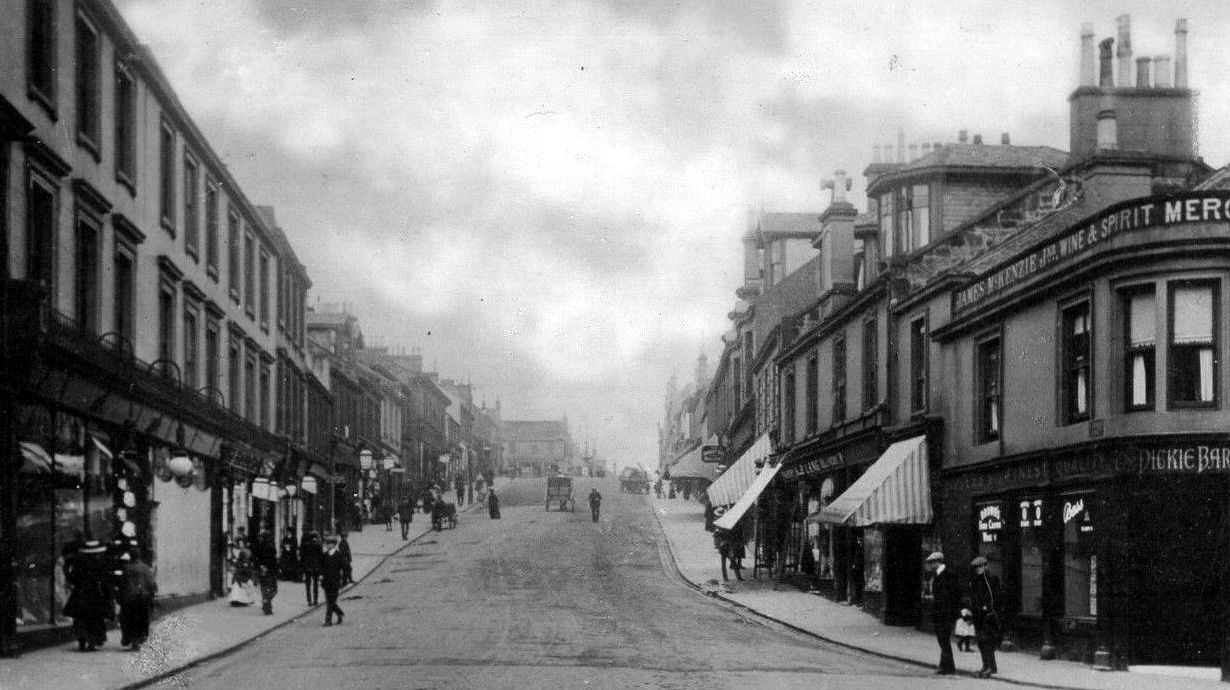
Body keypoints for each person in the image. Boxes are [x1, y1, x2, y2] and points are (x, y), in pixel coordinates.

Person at [63, 540, 113, 651]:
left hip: (81, 595)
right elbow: (105, 580)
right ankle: (92, 642)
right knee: (95, 619)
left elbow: (73, 578)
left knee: (81, 619)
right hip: (96, 595)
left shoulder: (79, 562)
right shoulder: (100, 563)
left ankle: (82, 641)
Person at [926, 551, 961, 675]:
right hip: (939, 613)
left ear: (938, 562)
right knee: (942, 639)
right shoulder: (936, 576)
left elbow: (955, 594)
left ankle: (948, 667)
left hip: (947, 614)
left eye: (931, 562)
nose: (930, 565)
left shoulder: (949, 575)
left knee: (944, 639)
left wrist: (951, 610)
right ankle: (946, 666)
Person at [970, 555, 1004, 678]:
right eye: (976, 567)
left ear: (986, 566)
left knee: (987, 642)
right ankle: (986, 666)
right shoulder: (976, 580)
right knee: (981, 642)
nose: (978, 569)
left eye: (980, 566)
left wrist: (989, 610)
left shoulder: (991, 579)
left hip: (987, 616)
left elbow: (995, 597)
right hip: (978, 616)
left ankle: (991, 667)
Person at [117, 548, 156, 651]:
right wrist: (151, 595)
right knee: (142, 619)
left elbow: (122, 585)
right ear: (139, 556)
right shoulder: (145, 568)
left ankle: (131, 640)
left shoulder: (126, 568)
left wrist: (120, 598)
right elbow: (151, 583)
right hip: (142, 598)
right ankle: (139, 640)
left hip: (129, 599)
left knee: (128, 619)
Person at [320, 534, 346, 626]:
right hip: (326, 582)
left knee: (330, 601)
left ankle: (328, 620)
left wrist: (344, 580)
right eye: (326, 543)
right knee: (329, 601)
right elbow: (322, 567)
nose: (327, 545)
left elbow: (344, 567)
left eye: (329, 543)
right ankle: (339, 614)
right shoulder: (325, 555)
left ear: (334, 544)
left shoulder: (339, 555)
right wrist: (321, 576)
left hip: (335, 581)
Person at [253, 529, 279, 615]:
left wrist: (259, 566)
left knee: (264, 587)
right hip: (271, 570)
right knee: (273, 589)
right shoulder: (271, 547)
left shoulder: (259, 546)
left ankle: (266, 603)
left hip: (263, 569)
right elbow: (274, 559)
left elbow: (255, 557)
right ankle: (267, 602)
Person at [228, 536, 255, 607]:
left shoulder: (246, 551)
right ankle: (237, 600)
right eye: (239, 543)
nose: (241, 545)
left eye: (242, 543)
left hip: (243, 573)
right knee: (237, 584)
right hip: (238, 573)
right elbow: (233, 560)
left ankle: (246, 600)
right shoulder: (235, 550)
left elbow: (247, 563)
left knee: (247, 584)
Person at [299, 531, 323, 606]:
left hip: (307, 567)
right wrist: (321, 569)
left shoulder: (306, 545)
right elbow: (321, 558)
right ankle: (315, 600)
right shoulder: (319, 545)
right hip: (316, 568)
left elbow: (302, 556)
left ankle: (309, 601)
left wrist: (303, 568)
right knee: (315, 585)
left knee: (308, 585)